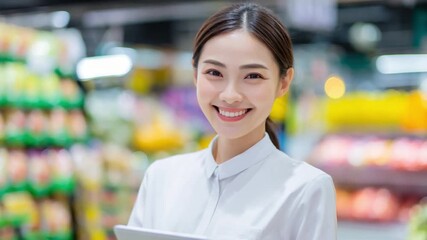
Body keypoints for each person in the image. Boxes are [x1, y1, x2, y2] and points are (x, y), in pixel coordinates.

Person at [128, 3, 337, 239]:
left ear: (284, 82)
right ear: (196, 74)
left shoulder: (306, 189)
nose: (230, 95)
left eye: (253, 76)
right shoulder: (160, 177)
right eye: (215, 73)